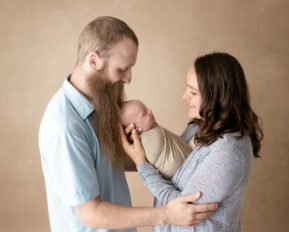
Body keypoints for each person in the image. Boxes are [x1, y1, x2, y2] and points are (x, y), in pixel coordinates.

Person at [39, 16, 218, 232]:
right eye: (122, 69)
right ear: (94, 61)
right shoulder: (66, 127)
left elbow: (107, 163)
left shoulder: (99, 104)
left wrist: (174, 161)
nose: (128, 78)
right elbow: (91, 213)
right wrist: (168, 214)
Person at [122, 52, 264, 231]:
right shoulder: (198, 126)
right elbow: (168, 167)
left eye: (193, 92)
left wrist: (142, 164)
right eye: (187, 88)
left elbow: (182, 209)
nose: (184, 96)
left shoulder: (229, 151)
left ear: (218, 97)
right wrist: (133, 144)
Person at [120, 100, 192, 179]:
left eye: (147, 109)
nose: (150, 111)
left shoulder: (151, 128)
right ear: (134, 127)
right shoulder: (147, 140)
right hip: (183, 174)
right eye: (144, 113)